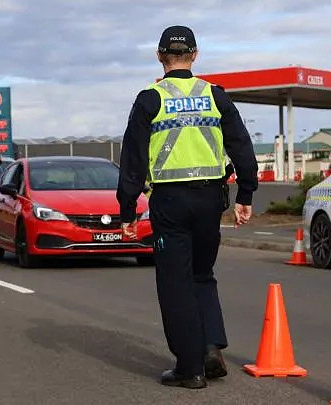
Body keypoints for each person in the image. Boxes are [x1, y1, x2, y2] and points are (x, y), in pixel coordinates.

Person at [117, 25, 258, 389]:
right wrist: (246, 195)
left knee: (175, 282)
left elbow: (132, 159)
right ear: (194, 55)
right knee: (202, 274)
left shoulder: (150, 98)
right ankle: (211, 347)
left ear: (159, 55)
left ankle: (190, 368)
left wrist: (128, 210)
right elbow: (241, 144)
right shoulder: (215, 95)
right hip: (211, 199)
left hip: (170, 202)